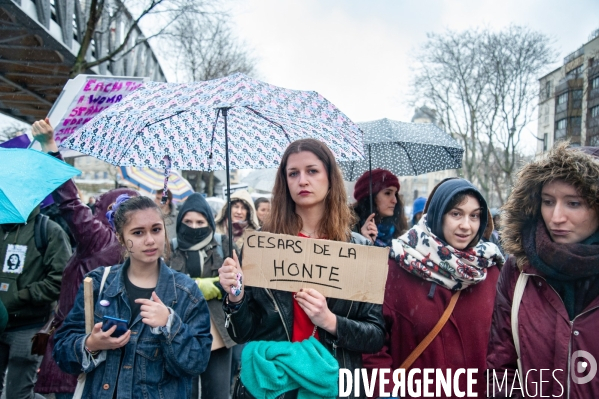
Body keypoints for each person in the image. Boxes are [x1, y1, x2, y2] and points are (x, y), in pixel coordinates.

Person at [219, 138, 385, 399]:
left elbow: (375, 336)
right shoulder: (262, 246)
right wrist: (235, 298)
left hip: (334, 384)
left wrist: (330, 321)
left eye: (312, 171)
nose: (302, 181)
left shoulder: (360, 250)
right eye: (293, 173)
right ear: (284, 182)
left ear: (330, 178)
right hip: (274, 387)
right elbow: (241, 333)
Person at [53, 195, 212, 399]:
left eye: (156, 229)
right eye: (138, 233)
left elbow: (197, 363)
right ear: (120, 238)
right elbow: (61, 351)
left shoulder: (185, 292)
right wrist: (91, 344)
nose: (149, 240)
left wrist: (170, 325)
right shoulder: (98, 284)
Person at [363, 178, 504, 398]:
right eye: (456, 214)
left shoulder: (491, 270)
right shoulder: (398, 266)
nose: (466, 225)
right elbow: (373, 343)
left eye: (474, 215)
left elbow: (504, 348)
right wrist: (386, 391)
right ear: (438, 215)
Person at [31, 117, 140, 399]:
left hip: (80, 344)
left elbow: (68, 202)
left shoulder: (99, 238)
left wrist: (50, 146)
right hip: (118, 347)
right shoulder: (138, 245)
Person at [487, 143, 599, 398]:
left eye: (573, 203)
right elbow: (501, 369)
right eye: (548, 201)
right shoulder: (519, 270)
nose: (556, 217)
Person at [167, 193, 239, 399]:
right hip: (180, 331)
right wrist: (196, 286)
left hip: (219, 331)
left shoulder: (224, 244)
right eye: (188, 221)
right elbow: (161, 285)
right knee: (183, 391)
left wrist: (221, 285)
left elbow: (241, 283)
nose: (194, 226)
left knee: (217, 391)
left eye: (200, 221)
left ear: (209, 221)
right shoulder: (169, 248)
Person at [0, 205, 72, 399]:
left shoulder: (48, 231)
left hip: (28, 326)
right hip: (0, 322)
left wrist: (20, 296)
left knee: (18, 394)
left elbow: (60, 279)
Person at [352, 169, 408, 246]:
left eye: (395, 194)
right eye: (387, 193)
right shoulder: (348, 229)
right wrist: (362, 241)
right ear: (370, 197)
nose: (395, 200)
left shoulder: (402, 232)